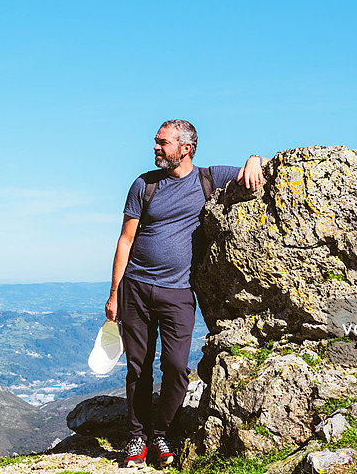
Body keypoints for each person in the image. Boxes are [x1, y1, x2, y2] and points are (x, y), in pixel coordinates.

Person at [105, 120, 268, 467]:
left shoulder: (209, 178)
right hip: (135, 287)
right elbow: (125, 240)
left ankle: (161, 431)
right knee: (139, 368)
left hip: (178, 292)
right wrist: (114, 292)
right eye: (156, 142)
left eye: (163, 143)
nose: (156, 148)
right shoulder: (143, 185)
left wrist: (254, 157)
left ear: (186, 148)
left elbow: (260, 165)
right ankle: (137, 437)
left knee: (177, 368)